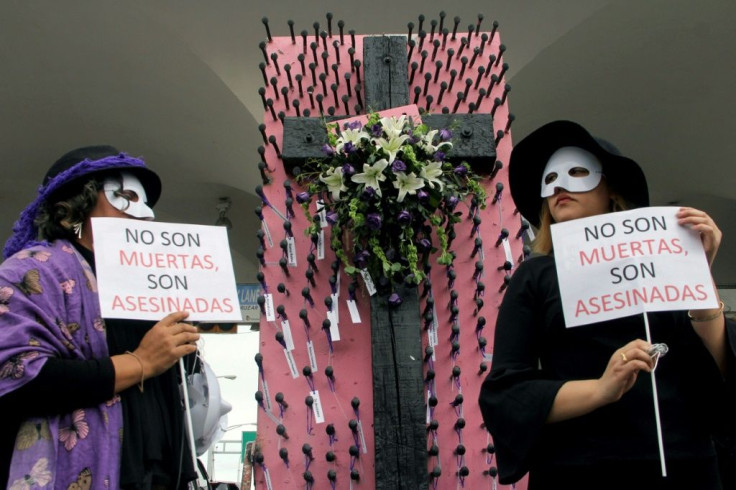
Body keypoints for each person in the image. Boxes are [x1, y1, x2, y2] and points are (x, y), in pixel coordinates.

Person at [478, 121, 735, 489]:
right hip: (579, 467)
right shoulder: (534, 277)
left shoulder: (662, 259)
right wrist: (600, 389)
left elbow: (716, 371)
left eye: (578, 172)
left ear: (611, 187)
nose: (561, 186)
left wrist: (698, 277)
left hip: (681, 462)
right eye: (550, 180)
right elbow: (508, 392)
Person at [0, 146, 200, 489]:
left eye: (146, 204)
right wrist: (140, 363)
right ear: (71, 212)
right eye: (123, 197)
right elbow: (17, 377)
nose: (145, 214)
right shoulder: (30, 270)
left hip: (160, 470)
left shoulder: (151, 285)